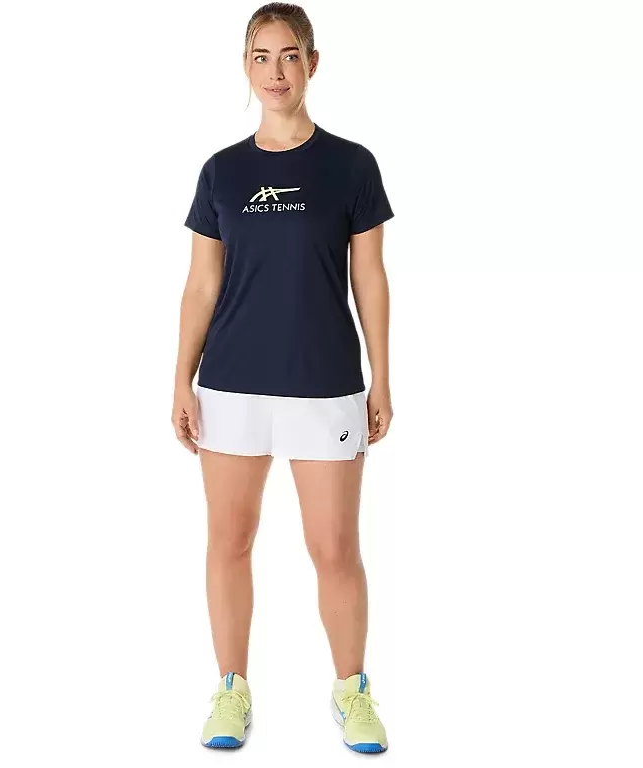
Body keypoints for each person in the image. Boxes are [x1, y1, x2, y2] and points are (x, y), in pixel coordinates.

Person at [172, 2, 394, 754]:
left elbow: (370, 279)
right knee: (229, 540)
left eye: (290, 55)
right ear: (245, 66)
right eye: (261, 56)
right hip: (231, 384)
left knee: (334, 548)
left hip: (325, 383)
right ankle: (231, 689)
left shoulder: (351, 166)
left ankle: (352, 691)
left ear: (312, 63)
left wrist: (381, 378)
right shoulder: (222, 172)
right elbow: (202, 285)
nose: (276, 71)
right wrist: (180, 379)